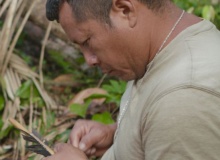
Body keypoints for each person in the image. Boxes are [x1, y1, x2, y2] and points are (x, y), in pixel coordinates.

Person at [43, 0, 220, 159]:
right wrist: (120, 137)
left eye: (87, 42)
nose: (89, 60)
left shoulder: (183, 97)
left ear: (125, 10)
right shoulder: (154, 54)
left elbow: (176, 117)